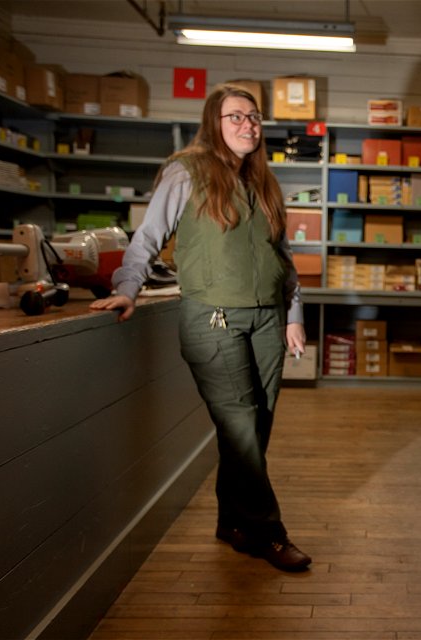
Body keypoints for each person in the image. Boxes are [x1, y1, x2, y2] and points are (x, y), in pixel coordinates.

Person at [90, 83, 311, 572]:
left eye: (253, 117)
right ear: (214, 122)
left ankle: (232, 520)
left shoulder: (265, 183)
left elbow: (284, 258)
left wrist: (294, 315)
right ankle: (268, 534)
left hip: (268, 320)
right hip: (214, 319)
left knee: (256, 427)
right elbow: (147, 238)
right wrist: (127, 287)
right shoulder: (186, 172)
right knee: (240, 426)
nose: (247, 125)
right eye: (235, 116)